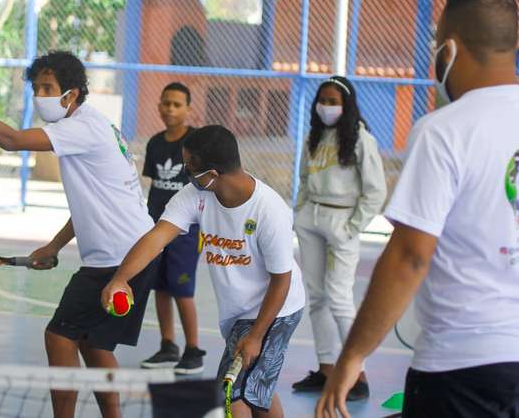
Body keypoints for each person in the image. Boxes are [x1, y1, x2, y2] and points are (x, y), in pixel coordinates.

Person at [316, 0, 519, 417]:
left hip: (461, 365)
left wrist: (352, 355)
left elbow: (410, 256)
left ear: (448, 48)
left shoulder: (445, 130)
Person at [0, 51, 159, 418]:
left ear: (72, 93)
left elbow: (12, 140)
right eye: (36, 88)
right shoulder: (94, 124)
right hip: (133, 250)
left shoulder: (81, 127)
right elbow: (93, 203)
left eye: (48, 87)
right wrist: (54, 245)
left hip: (120, 257)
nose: (41, 95)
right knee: (91, 342)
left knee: (59, 334)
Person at [101, 125, 306, 418]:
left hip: (276, 310)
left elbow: (281, 279)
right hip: (238, 312)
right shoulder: (195, 196)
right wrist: (121, 278)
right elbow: (157, 237)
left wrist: (257, 335)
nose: (186, 170)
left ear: (213, 173)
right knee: (258, 391)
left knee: (231, 393)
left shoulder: (269, 210)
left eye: (189, 166)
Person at [291, 76, 386, 401]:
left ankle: (357, 375)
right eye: (322, 101)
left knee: (339, 296)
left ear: (345, 105)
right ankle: (326, 368)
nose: (326, 107)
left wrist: (352, 226)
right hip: (311, 218)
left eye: (333, 102)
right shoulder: (313, 137)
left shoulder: (360, 137)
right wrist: (300, 210)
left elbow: (376, 191)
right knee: (316, 296)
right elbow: (304, 177)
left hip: (342, 219)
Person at [139, 82, 205, 374]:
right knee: (160, 288)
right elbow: (154, 185)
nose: (170, 109)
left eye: (177, 104)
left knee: (182, 289)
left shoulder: (196, 143)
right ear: (159, 106)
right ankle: (168, 346)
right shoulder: (155, 143)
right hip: (157, 227)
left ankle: (193, 350)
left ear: (189, 109)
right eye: (166, 103)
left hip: (186, 230)